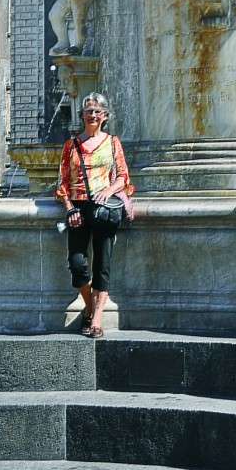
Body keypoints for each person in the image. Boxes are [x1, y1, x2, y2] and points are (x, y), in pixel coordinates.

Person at [56, 92, 133, 339]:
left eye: (97, 111)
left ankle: (96, 320)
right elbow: (62, 183)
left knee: (103, 265)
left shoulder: (113, 143)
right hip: (78, 209)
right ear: (82, 116)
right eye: (88, 111)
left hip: (104, 208)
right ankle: (89, 306)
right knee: (77, 264)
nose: (92, 115)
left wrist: (109, 190)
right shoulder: (71, 145)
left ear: (105, 116)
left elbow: (123, 176)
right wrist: (69, 208)